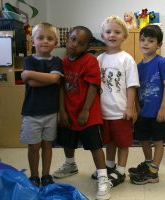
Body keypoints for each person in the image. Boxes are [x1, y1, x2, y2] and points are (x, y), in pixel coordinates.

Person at [53, 26, 112, 200]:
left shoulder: (90, 60)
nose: (74, 45)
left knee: (95, 146)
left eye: (81, 43)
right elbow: (62, 87)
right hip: (69, 110)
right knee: (67, 141)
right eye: (72, 39)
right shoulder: (63, 61)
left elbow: (93, 86)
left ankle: (103, 177)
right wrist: (62, 110)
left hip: (88, 113)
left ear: (87, 47)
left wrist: (85, 110)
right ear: (67, 39)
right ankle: (70, 164)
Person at [93, 16, 139, 187]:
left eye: (117, 32)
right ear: (103, 35)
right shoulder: (99, 59)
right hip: (104, 111)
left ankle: (120, 170)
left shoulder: (127, 59)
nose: (112, 35)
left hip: (121, 111)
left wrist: (130, 108)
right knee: (109, 141)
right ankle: (110, 166)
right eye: (108, 32)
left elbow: (132, 86)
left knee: (123, 142)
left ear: (124, 36)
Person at [128, 25, 165, 185]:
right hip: (143, 112)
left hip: (158, 112)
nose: (145, 43)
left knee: (158, 141)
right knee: (142, 139)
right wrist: (136, 107)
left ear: (159, 45)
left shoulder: (161, 62)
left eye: (151, 40)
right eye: (143, 40)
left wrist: (163, 108)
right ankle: (148, 163)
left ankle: (154, 171)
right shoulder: (138, 66)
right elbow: (134, 87)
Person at [20, 22, 63, 187]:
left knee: (47, 146)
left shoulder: (57, 61)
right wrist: (50, 79)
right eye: (40, 37)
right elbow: (32, 84)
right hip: (31, 112)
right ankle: (34, 176)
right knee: (33, 147)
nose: (45, 41)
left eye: (50, 38)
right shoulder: (29, 60)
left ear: (56, 43)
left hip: (51, 112)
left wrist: (29, 74)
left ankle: (46, 175)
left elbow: (54, 79)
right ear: (33, 41)